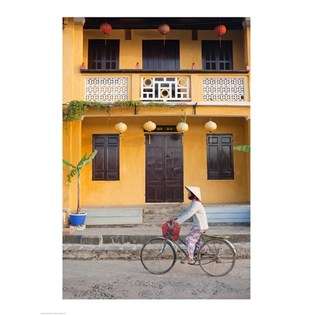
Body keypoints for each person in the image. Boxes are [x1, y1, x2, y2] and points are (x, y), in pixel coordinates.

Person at [173, 186, 209, 265]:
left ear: (193, 194)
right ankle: (198, 252)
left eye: (189, 192)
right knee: (195, 241)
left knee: (189, 239)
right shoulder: (194, 203)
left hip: (199, 226)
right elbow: (186, 212)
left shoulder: (196, 204)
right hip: (198, 226)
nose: (188, 194)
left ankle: (191, 258)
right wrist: (177, 218)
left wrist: (178, 222)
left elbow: (189, 214)